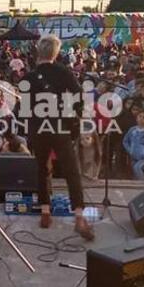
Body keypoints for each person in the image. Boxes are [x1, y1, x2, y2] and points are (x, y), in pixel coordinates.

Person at [24, 34, 94, 240]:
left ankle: (45, 211)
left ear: (38, 52)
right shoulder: (64, 72)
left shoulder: (30, 76)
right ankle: (79, 216)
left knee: (42, 168)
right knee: (72, 170)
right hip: (60, 126)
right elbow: (79, 97)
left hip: (39, 128)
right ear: (55, 53)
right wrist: (73, 116)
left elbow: (24, 107)